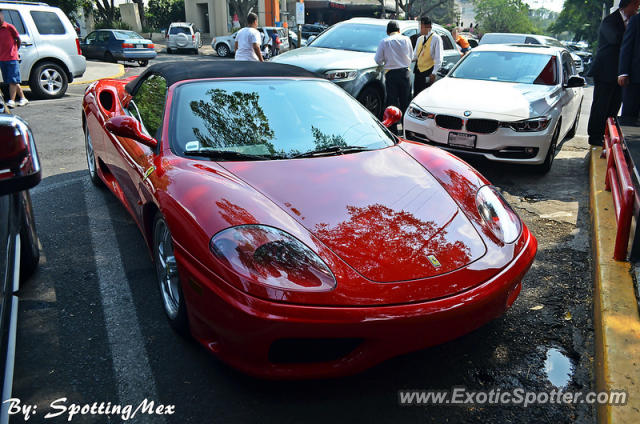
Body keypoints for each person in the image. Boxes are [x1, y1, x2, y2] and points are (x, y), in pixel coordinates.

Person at [587, 0, 640, 145]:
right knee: (601, 105)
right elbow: (615, 38)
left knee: (614, 107)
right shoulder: (610, 20)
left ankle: (607, 134)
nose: (637, 9)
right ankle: (595, 136)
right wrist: (632, 32)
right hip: (605, 72)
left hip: (620, 74)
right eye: (636, 5)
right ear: (629, 4)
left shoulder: (631, 21)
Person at [374, 20, 413, 130]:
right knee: (405, 101)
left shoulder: (384, 41)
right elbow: (411, 55)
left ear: (387, 32)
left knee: (392, 102)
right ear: (399, 31)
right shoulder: (407, 39)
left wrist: (385, 61)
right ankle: (407, 128)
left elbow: (378, 60)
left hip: (391, 74)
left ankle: (393, 129)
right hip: (405, 73)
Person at [0, 10, 27, 108]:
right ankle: (23, 98)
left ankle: (11, 101)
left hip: (11, 58)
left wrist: (15, 51)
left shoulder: (9, 27)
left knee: (13, 80)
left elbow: (18, 39)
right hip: (2, 59)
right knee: (12, 80)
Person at [412, 16, 443, 98]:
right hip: (418, 72)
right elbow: (414, 56)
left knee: (425, 96)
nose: (420, 28)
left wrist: (434, 73)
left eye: (421, 26)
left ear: (428, 27)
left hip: (428, 72)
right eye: (420, 26)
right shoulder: (420, 39)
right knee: (416, 95)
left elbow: (438, 58)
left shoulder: (436, 38)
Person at [619, 12, 640, 123]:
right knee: (629, 115)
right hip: (635, 78)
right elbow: (627, 46)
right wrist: (623, 72)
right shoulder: (636, 20)